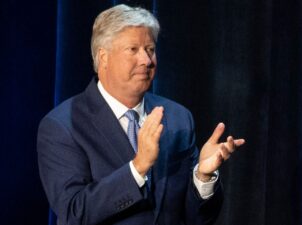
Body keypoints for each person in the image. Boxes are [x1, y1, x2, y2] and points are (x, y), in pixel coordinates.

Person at [37, 4, 245, 225]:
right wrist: (137, 168)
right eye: (133, 49)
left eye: (150, 49)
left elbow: (197, 218)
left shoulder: (178, 118)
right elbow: (74, 211)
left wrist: (202, 178)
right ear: (103, 57)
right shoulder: (62, 125)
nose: (146, 60)